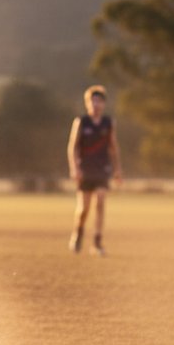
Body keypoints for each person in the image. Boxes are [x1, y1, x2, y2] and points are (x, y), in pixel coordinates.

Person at [67, 85, 122, 255]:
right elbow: (73, 147)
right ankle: (78, 232)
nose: (95, 104)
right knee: (84, 208)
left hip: (102, 169)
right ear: (87, 103)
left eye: (99, 101)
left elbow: (113, 147)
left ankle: (97, 241)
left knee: (100, 201)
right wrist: (75, 168)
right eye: (93, 101)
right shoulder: (81, 122)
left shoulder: (108, 123)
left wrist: (117, 169)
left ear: (104, 104)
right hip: (85, 169)